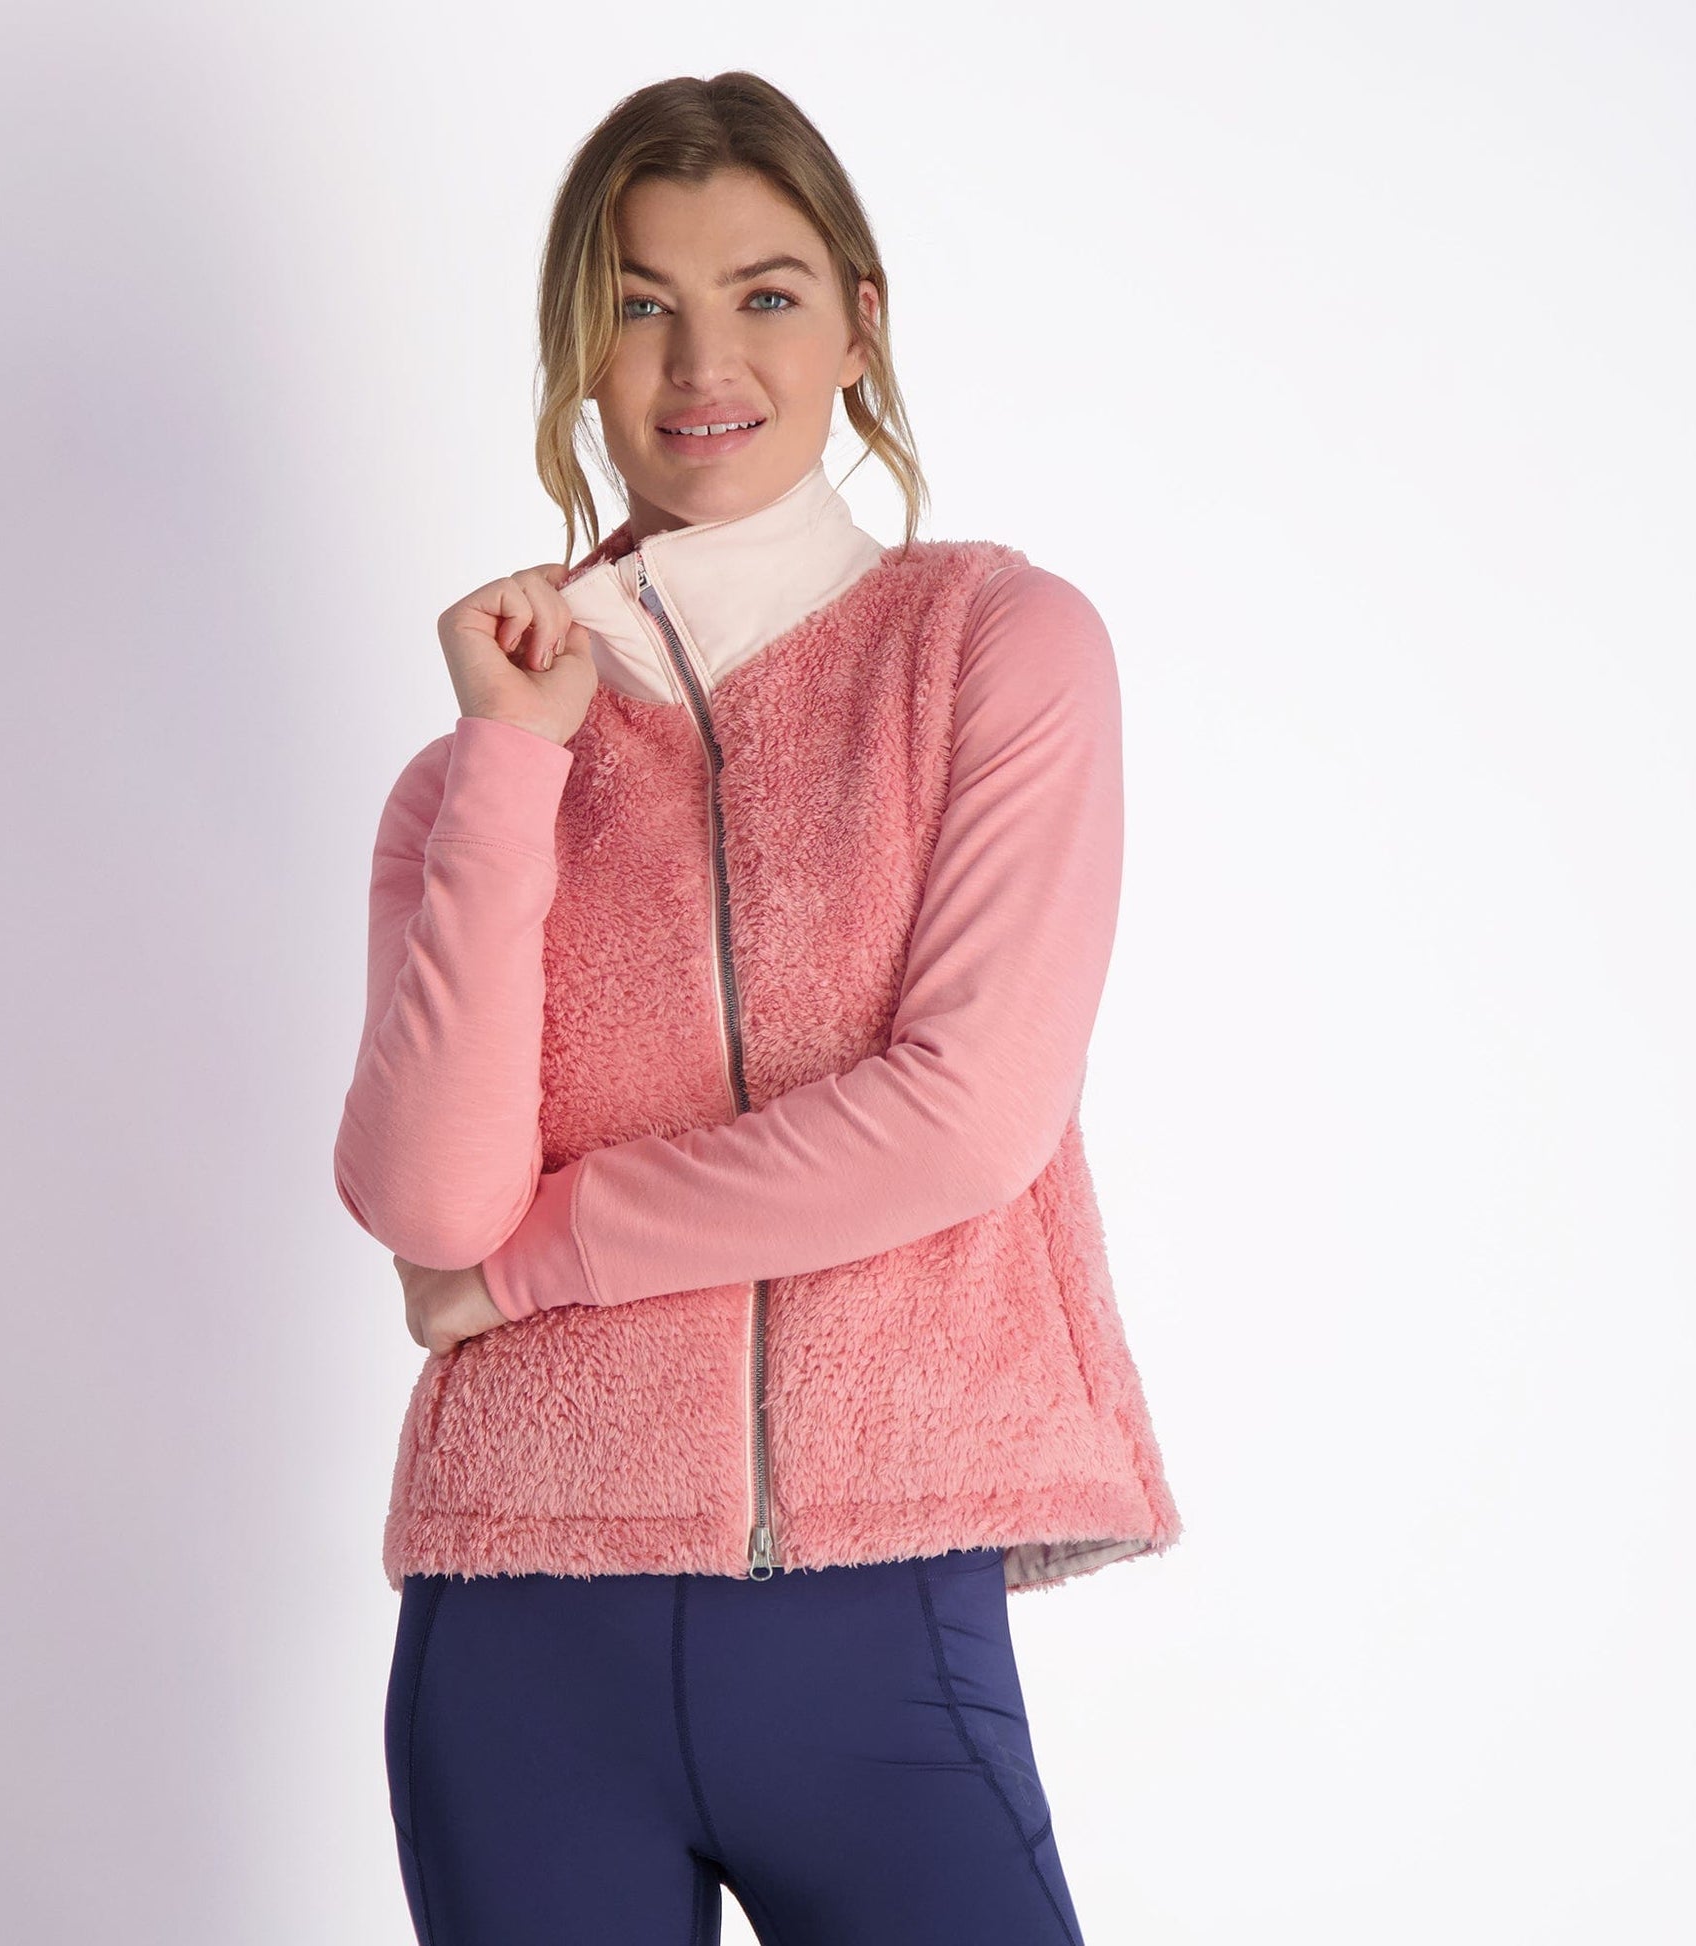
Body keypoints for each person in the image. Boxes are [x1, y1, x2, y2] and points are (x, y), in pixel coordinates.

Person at [334, 69, 1184, 1946]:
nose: (701, 359)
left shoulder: (989, 648)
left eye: (765, 293)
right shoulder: (472, 774)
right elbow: (428, 1209)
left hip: (874, 1614)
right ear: (579, 347)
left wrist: (538, 1262)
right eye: (640, 301)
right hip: (518, 1630)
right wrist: (511, 765)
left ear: (859, 323)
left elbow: (965, 1113)